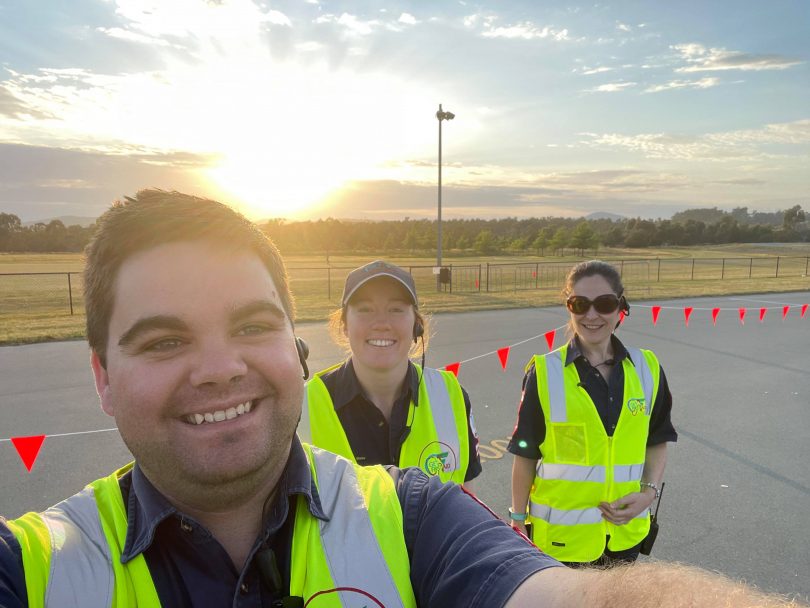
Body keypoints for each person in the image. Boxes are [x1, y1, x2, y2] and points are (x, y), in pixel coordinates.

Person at [0, 192, 803, 608]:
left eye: (251, 325)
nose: (218, 368)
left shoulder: (413, 515)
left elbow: (569, 597)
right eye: (164, 339)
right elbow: (525, 454)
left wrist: (643, 499)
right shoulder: (35, 568)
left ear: (291, 344)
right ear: (100, 375)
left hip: (610, 549)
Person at [508, 260, 678, 566]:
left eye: (604, 304)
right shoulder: (544, 372)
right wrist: (518, 520)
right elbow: (525, 454)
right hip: (561, 544)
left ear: (620, 307)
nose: (591, 315)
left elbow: (657, 439)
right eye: (580, 304)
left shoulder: (647, 369)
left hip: (625, 537)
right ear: (568, 307)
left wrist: (648, 493)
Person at [300, 260, 481, 491]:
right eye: (365, 309)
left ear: (417, 325)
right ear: (344, 324)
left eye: (396, 309)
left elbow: (467, 491)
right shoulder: (303, 407)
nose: (381, 324)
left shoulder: (451, 395)